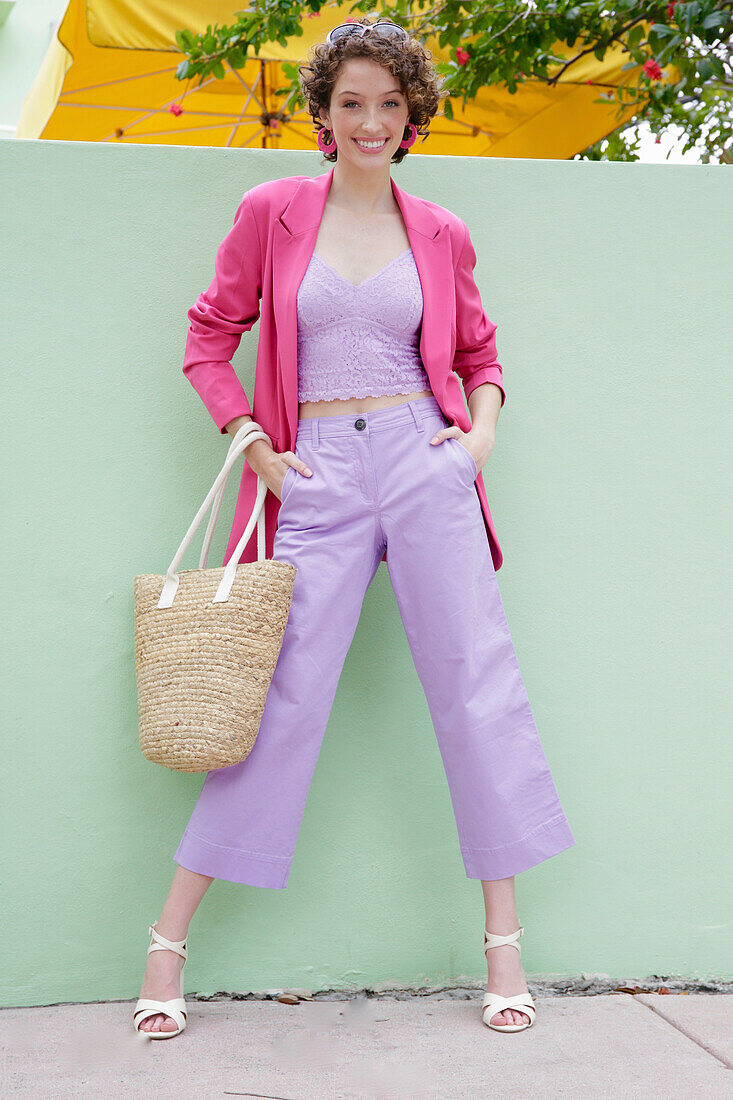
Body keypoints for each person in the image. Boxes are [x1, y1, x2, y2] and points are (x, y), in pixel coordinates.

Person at [134, 16, 576, 1040]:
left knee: (474, 683)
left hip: (426, 467)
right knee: (278, 700)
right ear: (324, 114)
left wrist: (476, 441)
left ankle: (502, 944)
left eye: (389, 103)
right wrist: (249, 440)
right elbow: (209, 337)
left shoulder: (442, 231)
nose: (370, 120)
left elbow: (480, 352)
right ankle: (166, 939)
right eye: (350, 102)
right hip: (317, 476)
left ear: (411, 114)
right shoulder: (273, 212)